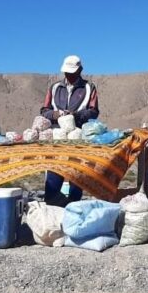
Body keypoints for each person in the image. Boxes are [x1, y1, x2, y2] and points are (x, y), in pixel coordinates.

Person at [40, 55, 100, 205]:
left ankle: (73, 206)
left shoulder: (89, 88)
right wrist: (57, 115)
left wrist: (76, 116)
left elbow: (94, 112)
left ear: (80, 70)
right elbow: (44, 110)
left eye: (72, 72)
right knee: (55, 171)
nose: (69, 75)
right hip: (57, 137)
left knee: (76, 173)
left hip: (77, 137)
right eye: (67, 72)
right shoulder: (55, 88)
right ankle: (52, 205)